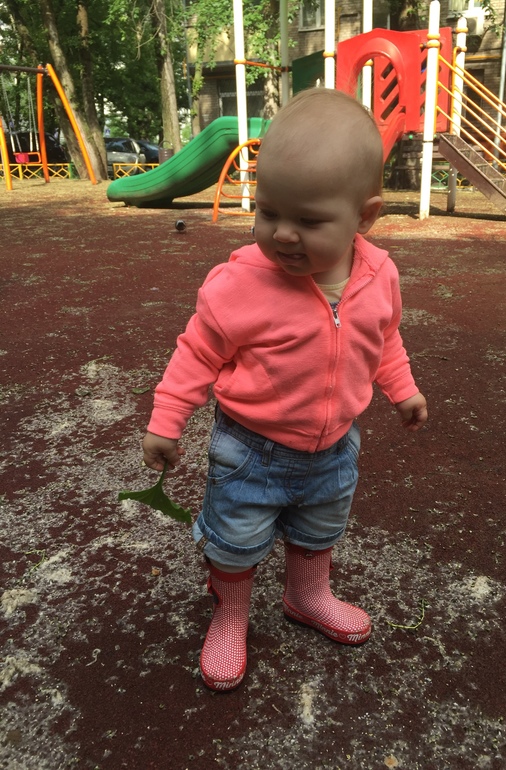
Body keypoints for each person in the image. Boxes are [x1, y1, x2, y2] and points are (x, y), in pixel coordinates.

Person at [142, 88, 428, 692]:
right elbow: (196, 351)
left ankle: (307, 594)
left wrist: (402, 388)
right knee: (234, 540)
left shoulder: (378, 275)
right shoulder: (240, 283)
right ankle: (230, 614)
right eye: (269, 212)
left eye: (310, 220)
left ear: (365, 217)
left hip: (335, 448)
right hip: (250, 451)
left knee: (319, 531)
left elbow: (384, 338)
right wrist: (167, 419)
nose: (284, 235)